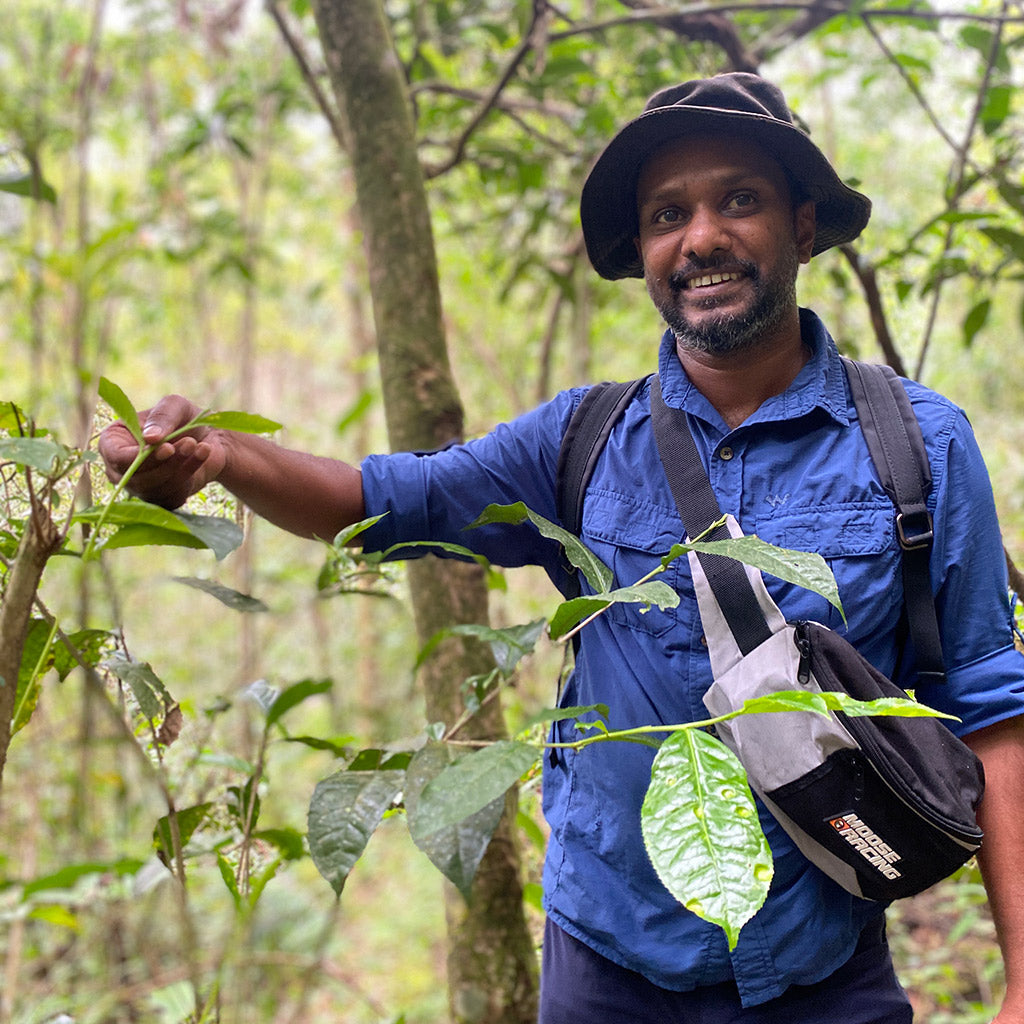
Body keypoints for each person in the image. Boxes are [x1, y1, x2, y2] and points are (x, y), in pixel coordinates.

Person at [100, 73, 1024, 1023]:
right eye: (668, 214)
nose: (702, 237)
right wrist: (219, 453)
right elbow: (386, 501)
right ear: (644, 251)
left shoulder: (918, 443)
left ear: (802, 223)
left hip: (824, 967)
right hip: (606, 967)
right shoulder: (582, 441)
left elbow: (994, 711)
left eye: (739, 199)